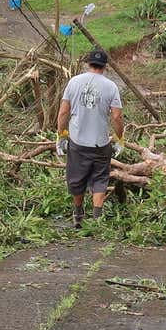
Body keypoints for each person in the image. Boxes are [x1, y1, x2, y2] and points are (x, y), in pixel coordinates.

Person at [56, 48, 125, 228]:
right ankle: (97, 220)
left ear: (88, 64)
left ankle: (78, 214)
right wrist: (119, 138)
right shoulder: (111, 86)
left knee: (76, 178)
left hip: (78, 141)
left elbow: (64, 112)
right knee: (100, 179)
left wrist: (61, 135)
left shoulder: (74, 82)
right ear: (105, 66)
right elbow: (117, 117)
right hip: (101, 143)